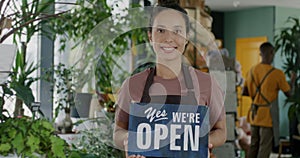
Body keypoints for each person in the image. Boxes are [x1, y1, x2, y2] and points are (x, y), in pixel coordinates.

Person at [113, 1, 226, 157]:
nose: (169, 39)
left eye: (177, 31)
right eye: (160, 30)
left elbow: (220, 131)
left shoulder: (207, 83)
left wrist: (201, 143)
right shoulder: (132, 85)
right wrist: (130, 140)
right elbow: (118, 132)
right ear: (150, 35)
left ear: (187, 37)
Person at [243, 42, 294, 158]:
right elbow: (289, 94)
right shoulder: (277, 74)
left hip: (254, 115)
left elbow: (244, 92)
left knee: (253, 146)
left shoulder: (251, 71)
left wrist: (256, 95)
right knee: (264, 147)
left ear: (260, 54)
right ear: (272, 53)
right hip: (268, 117)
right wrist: (292, 81)